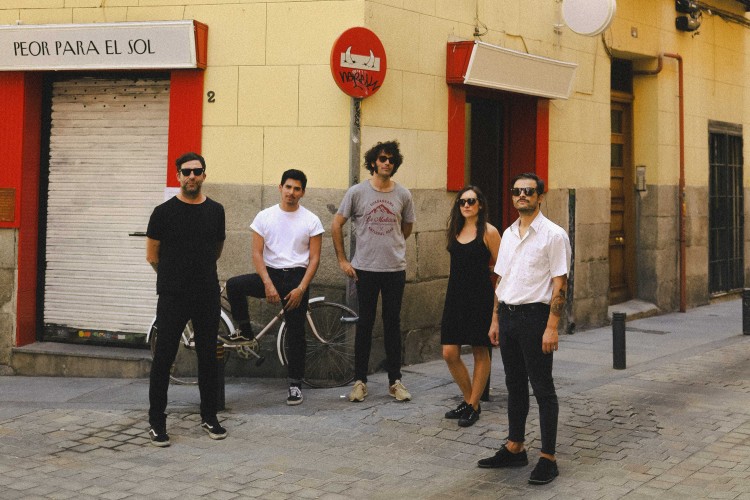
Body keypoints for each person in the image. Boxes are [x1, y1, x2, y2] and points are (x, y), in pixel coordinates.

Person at [477, 172, 571, 485]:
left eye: (529, 191)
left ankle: (548, 458)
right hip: (508, 315)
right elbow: (502, 278)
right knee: (514, 384)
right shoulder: (508, 233)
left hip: (535, 318)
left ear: (540, 197)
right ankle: (515, 447)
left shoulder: (553, 235)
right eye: (517, 191)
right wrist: (495, 319)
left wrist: (552, 327)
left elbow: (560, 283)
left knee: (542, 387)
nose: (522, 196)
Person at [146, 152, 227, 447]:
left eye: (197, 171)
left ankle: (209, 416)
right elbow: (152, 255)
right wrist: (174, 276)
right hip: (173, 295)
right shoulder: (162, 212)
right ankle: (156, 421)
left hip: (206, 294)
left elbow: (216, 249)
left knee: (208, 357)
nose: (192, 176)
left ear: (204, 175)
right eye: (186, 172)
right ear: (178, 176)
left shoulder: (216, 211)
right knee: (164, 357)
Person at [226, 169, 323, 406]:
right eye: (288, 187)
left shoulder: (311, 220)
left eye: (297, 189)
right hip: (270, 274)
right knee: (234, 285)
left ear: (303, 192)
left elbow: (314, 259)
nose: (291, 192)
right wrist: (268, 283)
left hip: (297, 278)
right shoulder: (265, 216)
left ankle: (295, 385)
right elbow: (257, 254)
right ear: (280, 188)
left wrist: (301, 288)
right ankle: (245, 331)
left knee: (296, 333)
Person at [331, 140, 416, 402]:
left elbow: (406, 227)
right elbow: (336, 224)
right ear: (373, 162)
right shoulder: (357, 192)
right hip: (365, 269)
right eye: (382, 158)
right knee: (365, 324)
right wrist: (343, 260)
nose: (387, 163)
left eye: (391, 159)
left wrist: (392, 245)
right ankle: (360, 382)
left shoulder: (403, 194)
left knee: (392, 324)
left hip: (394, 269)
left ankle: (395, 381)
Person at [441, 186, 500, 428]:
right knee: (449, 352)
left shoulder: (489, 232)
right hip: (455, 297)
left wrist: (495, 312)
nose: (466, 205)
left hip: (480, 298)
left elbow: (503, 270)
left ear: (480, 204)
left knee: (479, 350)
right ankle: (470, 401)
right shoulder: (454, 229)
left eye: (471, 201)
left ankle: (473, 404)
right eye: (462, 201)